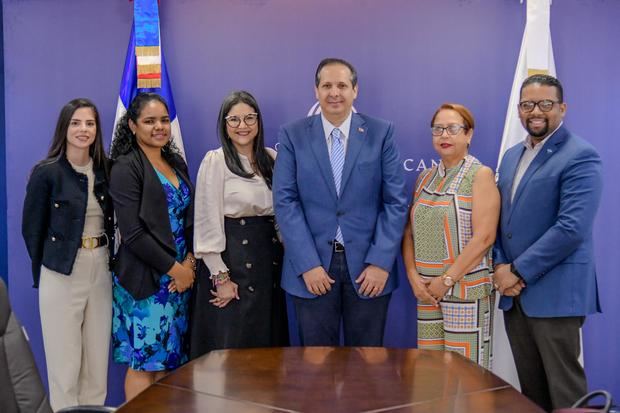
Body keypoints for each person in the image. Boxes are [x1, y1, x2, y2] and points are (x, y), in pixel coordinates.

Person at [273, 58, 408, 346]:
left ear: (355, 90)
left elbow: (395, 202)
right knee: (317, 368)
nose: (335, 93)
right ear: (316, 90)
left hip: (368, 269)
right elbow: (285, 201)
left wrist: (380, 263)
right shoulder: (293, 135)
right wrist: (307, 264)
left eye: (342, 85)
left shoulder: (381, 133)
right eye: (327, 85)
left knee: (368, 366)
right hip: (311, 269)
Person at [493, 74, 603, 411]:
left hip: (555, 292)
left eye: (545, 104)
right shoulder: (512, 155)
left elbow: (571, 228)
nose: (535, 111)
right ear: (519, 110)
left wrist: (518, 270)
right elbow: (503, 221)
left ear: (562, 108)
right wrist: (499, 264)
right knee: (532, 392)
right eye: (527, 104)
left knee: (566, 392)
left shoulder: (581, 156)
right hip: (516, 295)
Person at [22, 98, 114, 411]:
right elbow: (31, 231)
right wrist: (49, 268)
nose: (83, 129)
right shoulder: (47, 173)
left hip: (101, 270)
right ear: (64, 128)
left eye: (89, 123)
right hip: (60, 272)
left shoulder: (106, 170)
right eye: (76, 123)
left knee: (96, 366)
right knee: (65, 366)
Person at [109, 93, 195, 400]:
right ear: (132, 125)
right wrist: (176, 270)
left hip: (179, 281)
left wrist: (190, 265)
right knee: (144, 365)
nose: (158, 127)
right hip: (146, 280)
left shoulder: (175, 161)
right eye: (149, 121)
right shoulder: (124, 167)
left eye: (163, 120)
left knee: (168, 362)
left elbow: (188, 219)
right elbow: (133, 234)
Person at [189, 90, 288, 357]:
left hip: (269, 267)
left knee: (268, 354)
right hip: (232, 265)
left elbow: (282, 214)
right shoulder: (215, 160)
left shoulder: (272, 159)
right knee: (231, 353)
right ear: (224, 124)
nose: (242, 126)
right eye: (234, 120)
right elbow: (207, 220)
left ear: (259, 121)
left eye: (249, 118)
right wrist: (220, 277)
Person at [401, 103, 499, 369]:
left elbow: (485, 237)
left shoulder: (480, 175)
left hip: (464, 292)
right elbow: (409, 232)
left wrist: (447, 280)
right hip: (427, 293)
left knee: (466, 377)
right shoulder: (424, 177)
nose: (444, 135)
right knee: (430, 375)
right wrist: (413, 277)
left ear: (468, 135)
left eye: (453, 128)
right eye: (438, 129)